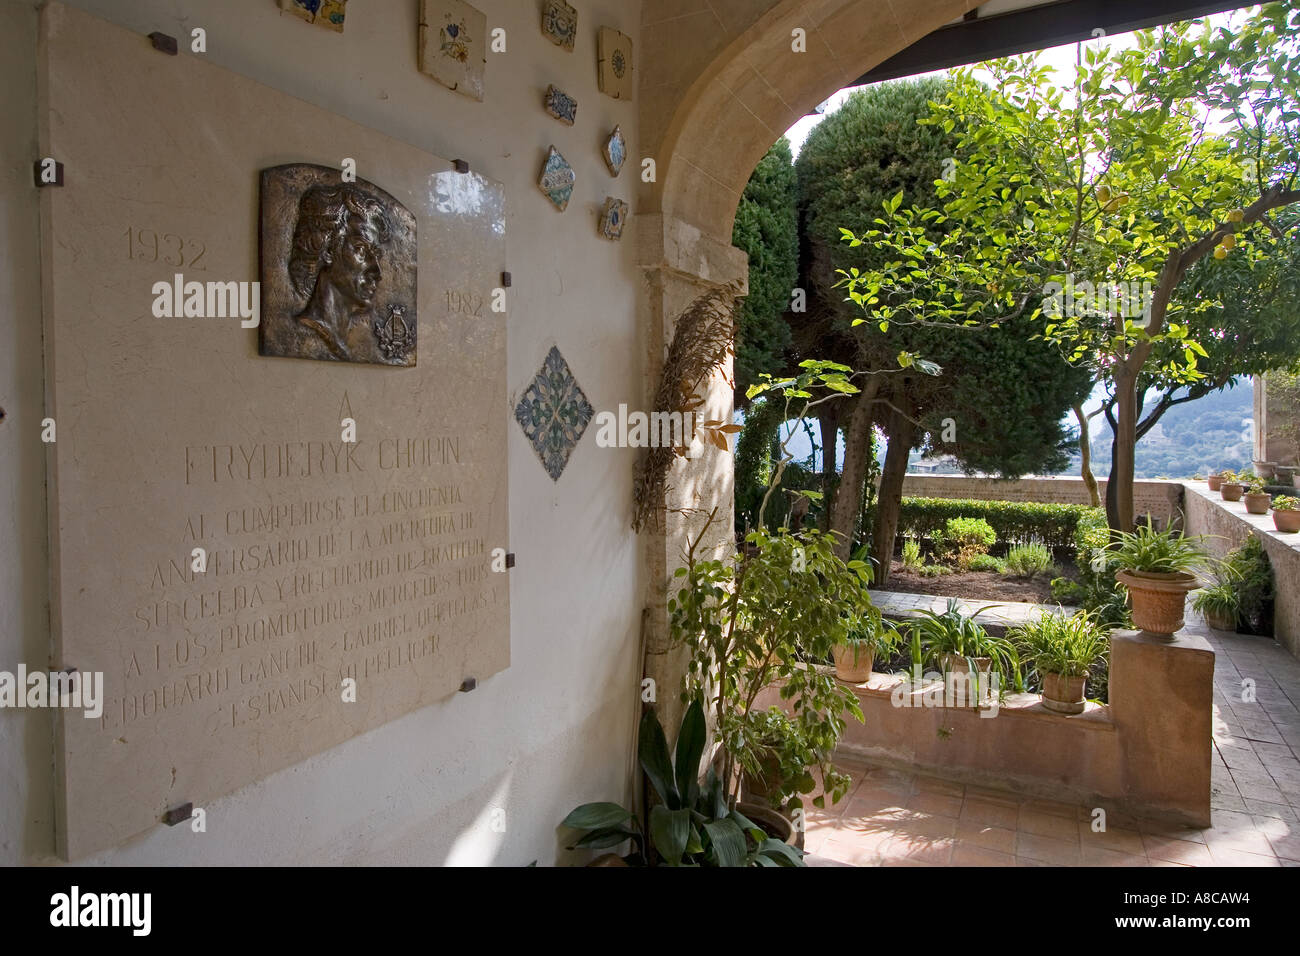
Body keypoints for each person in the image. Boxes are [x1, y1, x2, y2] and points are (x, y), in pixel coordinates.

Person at [287, 184, 391, 361]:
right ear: (328, 249)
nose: (377, 271)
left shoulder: (343, 345)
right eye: (361, 250)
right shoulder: (301, 336)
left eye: (376, 255)